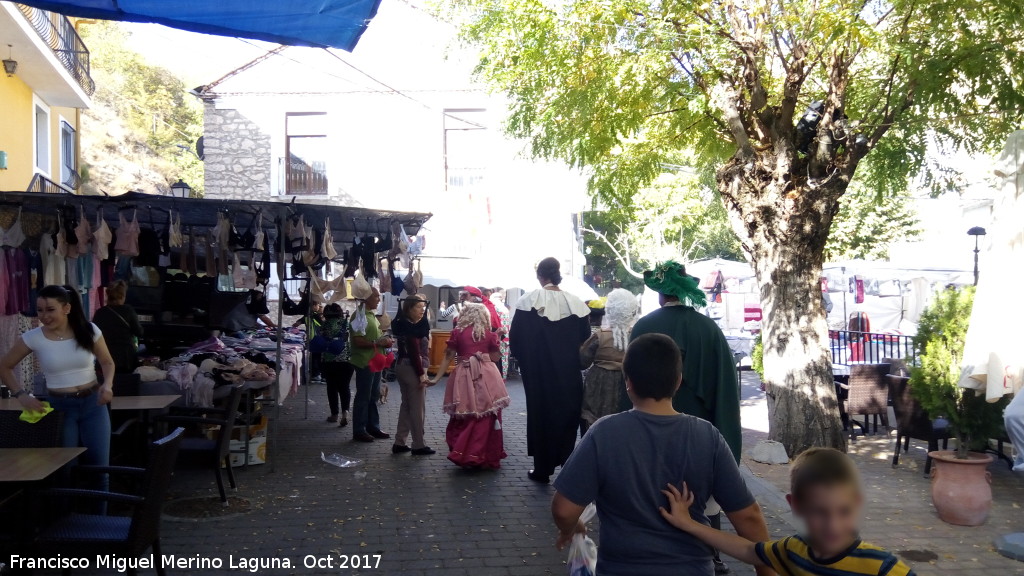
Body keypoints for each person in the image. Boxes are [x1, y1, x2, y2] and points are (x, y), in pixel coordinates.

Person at [552, 334, 771, 576]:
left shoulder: (603, 433)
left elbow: (564, 510)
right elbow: (747, 515)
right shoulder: (707, 436)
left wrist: (573, 527)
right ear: (678, 381)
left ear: (628, 382)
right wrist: (767, 570)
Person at [630, 260, 743, 574]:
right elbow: (725, 391)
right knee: (701, 490)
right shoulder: (709, 329)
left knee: (651, 487)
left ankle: (651, 549)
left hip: (648, 428)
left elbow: (628, 383)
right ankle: (712, 553)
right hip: (699, 432)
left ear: (661, 294)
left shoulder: (643, 327)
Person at [660, 447, 916, 576]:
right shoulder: (792, 551)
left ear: (858, 504)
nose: (832, 525)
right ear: (795, 506)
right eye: (819, 513)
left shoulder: (884, 567)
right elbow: (748, 550)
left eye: (843, 511)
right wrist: (689, 523)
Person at [0, 285, 118, 487]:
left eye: (50, 309)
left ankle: (99, 516)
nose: (44, 316)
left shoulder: (89, 330)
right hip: (60, 408)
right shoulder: (33, 337)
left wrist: (108, 385)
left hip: (93, 404)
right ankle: (65, 517)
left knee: (100, 469)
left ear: (66, 308)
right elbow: (4, 366)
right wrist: (21, 395)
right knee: (64, 471)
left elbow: (107, 362)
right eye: (40, 310)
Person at [509, 257, 591, 483]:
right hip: (569, 374)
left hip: (538, 375)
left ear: (540, 276)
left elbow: (515, 340)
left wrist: (528, 362)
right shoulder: (576, 304)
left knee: (540, 417)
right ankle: (567, 464)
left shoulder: (528, 302)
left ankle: (542, 469)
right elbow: (584, 341)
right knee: (567, 417)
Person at [431, 303, 510, 468]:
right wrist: (495, 337)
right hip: (488, 375)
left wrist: (436, 378)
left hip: (464, 373)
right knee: (487, 413)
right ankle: (483, 455)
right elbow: (495, 358)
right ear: (484, 316)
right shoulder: (489, 334)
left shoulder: (457, 333)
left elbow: (448, 356)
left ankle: (462, 451)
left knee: (465, 411)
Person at [579, 289, 637, 432]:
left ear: (609, 310)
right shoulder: (636, 335)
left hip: (598, 385)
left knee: (594, 423)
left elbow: (582, 361)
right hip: (626, 384)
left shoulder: (600, 336)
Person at [392, 294, 436, 456]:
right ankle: (418, 444)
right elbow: (414, 352)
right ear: (409, 308)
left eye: (423, 308)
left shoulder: (404, 325)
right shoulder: (412, 328)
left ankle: (399, 442)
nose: (422, 310)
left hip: (402, 366)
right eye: (418, 307)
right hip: (412, 368)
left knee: (407, 406)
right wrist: (421, 374)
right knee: (417, 408)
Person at [349, 287, 393, 443]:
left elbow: (376, 336)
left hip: (376, 362)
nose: (378, 300)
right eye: (375, 297)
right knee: (363, 396)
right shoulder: (359, 315)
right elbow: (358, 340)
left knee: (374, 395)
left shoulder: (372, 316)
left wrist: (385, 340)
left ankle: (372, 426)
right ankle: (359, 430)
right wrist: (377, 342)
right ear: (366, 298)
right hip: (364, 361)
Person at [92, 280, 144, 375]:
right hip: (126, 357)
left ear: (108, 295)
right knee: (125, 385)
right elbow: (139, 332)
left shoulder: (100, 313)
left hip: (105, 356)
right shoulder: (128, 311)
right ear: (122, 296)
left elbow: (93, 335)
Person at [320, 303, 353, 427]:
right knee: (345, 387)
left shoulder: (325, 325)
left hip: (329, 361)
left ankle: (334, 415)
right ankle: (345, 413)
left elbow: (320, 339)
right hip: (346, 360)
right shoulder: (347, 324)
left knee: (332, 388)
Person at [294, 301, 325, 382]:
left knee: (314, 357)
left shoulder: (307, 315)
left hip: (312, 339)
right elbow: (323, 325)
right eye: (318, 305)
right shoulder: (315, 315)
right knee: (317, 357)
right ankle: (317, 374)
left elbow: (297, 323)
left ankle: (315, 374)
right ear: (313, 306)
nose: (319, 307)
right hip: (318, 339)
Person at [490, 288, 512, 379]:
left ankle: (497, 379)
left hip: (498, 338)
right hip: (505, 339)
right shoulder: (505, 309)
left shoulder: (496, 308)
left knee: (496, 360)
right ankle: (503, 379)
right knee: (504, 360)